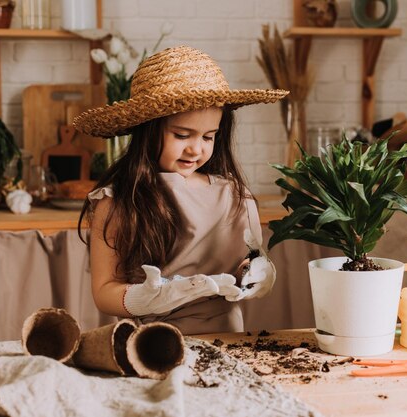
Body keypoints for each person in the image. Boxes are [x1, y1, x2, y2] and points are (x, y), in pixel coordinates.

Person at [74, 46, 288, 335]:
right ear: (147, 130)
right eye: (182, 135)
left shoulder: (235, 197)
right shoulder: (116, 202)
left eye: (209, 137)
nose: (195, 148)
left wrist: (257, 271)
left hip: (227, 339)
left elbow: (245, 261)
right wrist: (153, 296)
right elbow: (104, 292)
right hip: (152, 344)